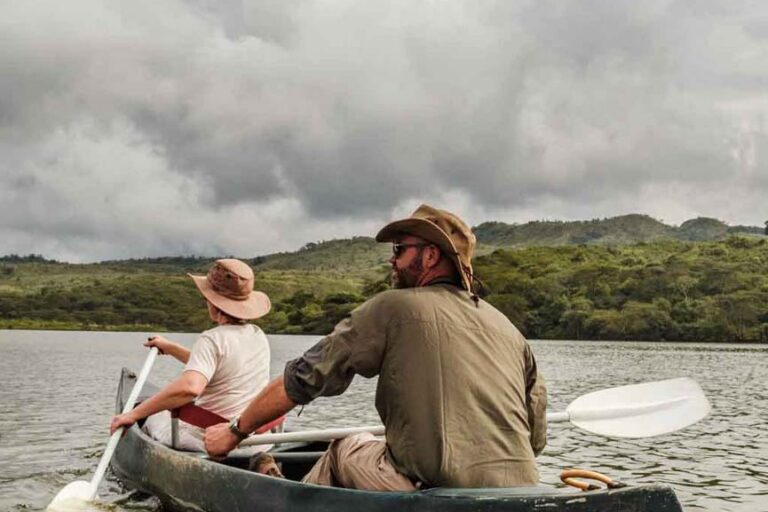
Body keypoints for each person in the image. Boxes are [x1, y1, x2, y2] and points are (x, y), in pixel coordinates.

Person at [205, 205, 547, 489]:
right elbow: (536, 439)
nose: (391, 260)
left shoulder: (394, 307)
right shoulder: (509, 329)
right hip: (519, 489)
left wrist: (233, 432)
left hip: (435, 490)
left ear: (430, 256)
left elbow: (304, 377)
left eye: (399, 250)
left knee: (343, 447)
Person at [110, 258, 272, 452]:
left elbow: (190, 388)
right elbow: (215, 367)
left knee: (150, 417)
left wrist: (133, 415)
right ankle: (260, 461)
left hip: (212, 439)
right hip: (256, 441)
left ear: (212, 303)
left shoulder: (212, 339)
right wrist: (170, 348)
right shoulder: (257, 334)